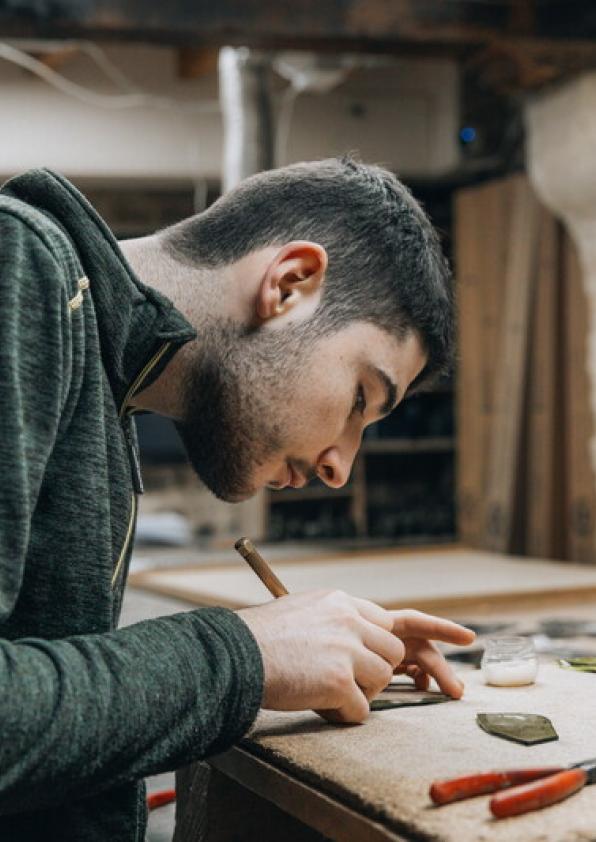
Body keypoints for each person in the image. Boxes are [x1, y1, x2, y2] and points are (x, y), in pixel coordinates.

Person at [0, 157, 474, 842]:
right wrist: (247, 655)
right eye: (360, 399)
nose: (340, 467)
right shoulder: (21, 270)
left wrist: (307, 648)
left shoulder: (105, 389)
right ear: (290, 285)